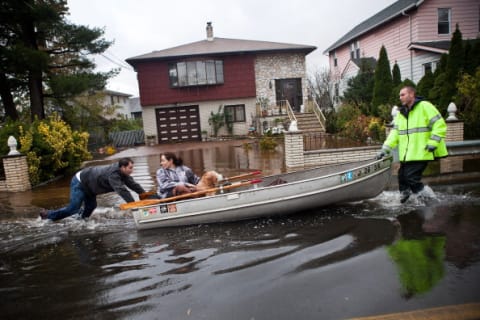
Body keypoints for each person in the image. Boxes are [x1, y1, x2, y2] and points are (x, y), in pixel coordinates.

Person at [376, 86, 448, 203]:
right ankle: (405, 200)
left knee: (411, 178)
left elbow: (440, 124)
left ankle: (429, 200)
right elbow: (395, 133)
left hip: (422, 152)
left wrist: (433, 142)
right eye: (400, 95)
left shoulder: (425, 106)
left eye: (402, 94)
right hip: (407, 154)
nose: (400, 97)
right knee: (402, 178)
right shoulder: (402, 113)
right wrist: (385, 149)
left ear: (411, 94)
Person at [40, 158, 148, 220]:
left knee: (92, 206)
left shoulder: (123, 173)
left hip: (91, 187)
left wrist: (146, 197)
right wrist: (134, 206)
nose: (132, 170)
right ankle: (48, 215)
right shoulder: (113, 175)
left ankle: (81, 221)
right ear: (122, 167)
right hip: (80, 182)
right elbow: (121, 190)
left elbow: (134, 185)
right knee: (73, 208)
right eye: (130, 168)